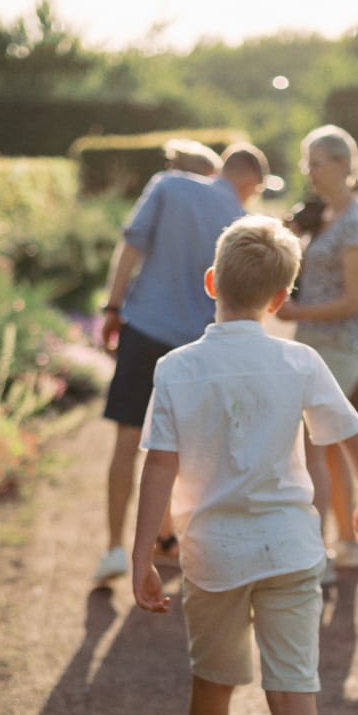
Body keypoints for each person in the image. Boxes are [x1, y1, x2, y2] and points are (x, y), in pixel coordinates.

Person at [131, 216, 358, 715]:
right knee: (294, 696)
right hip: (290, 548)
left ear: (212, 283)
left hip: (213, 553)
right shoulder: (300, 363)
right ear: (280, 299)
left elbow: (159, 466)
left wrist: (140, 556)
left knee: (213, 680)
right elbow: (356, 439)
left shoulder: (175, 368)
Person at [93, 142, 269, 585]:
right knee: (190, 451)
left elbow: (130, 249)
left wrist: (113, 308)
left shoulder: (168, 185)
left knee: (126, 442)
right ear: (251, 184)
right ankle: (176, 541)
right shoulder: (245, 223)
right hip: (196, 347)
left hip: (144, 328)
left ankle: (116, 548)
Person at [275, 125, 358, 578]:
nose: (309, 171)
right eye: (307, 162)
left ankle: (316, 552)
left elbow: (352, 301)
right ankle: (346, 544)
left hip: (341, 344)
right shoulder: (327, 216)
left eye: (316, 162)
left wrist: (296, 310)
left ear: (342, 164)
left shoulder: (357, 223)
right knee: (331, 445)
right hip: (315, 341)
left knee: (314, 443)